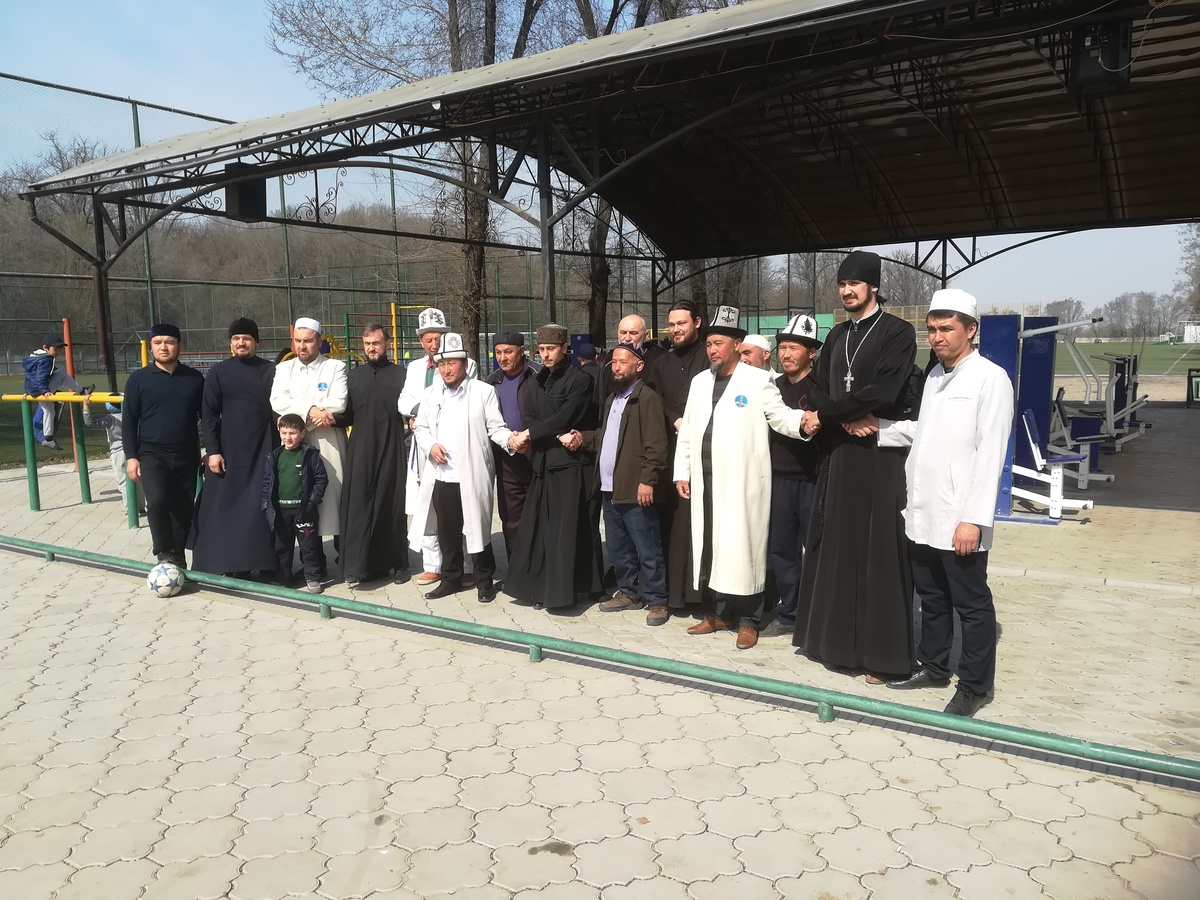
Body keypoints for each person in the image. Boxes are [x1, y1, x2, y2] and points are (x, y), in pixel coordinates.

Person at [862, 290, 1014, 717]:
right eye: (931, 329)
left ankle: (975, 686)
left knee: (971, 603)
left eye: (947, 328)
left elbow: (991, 454)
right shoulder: (934, 377)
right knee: (931, 595)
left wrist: (973, 520)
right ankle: (933, 666)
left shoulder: (990, 379)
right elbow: (923, 431)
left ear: (971, 329)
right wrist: (879, 428)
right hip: (925, 509)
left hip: (960, 518)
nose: (937, 337)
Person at [792, 250, 918, 682]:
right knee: (839, 546)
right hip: (842, 452)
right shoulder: (837, 335)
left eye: (854, 284)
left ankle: (881, 656)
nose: (847, 291)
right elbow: (817, 386)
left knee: (877, 551)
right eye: (842, 284)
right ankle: (831, 643)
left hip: (877, 457)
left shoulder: (898, 332)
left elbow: (885, 390)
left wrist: (833, 414)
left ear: (873, 287)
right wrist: (839, 418)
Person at [673, 306, 807, 650]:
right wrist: (682, 472)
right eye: (709, 344)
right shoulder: (700, 382)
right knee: (712, 548)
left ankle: (749, 620)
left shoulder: (758, 380)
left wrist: (804, 422)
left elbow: (779, 416)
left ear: (736, 344)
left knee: (743, 548)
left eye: (718, 343)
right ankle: (717, 613)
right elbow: (688, 430)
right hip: (705, 480)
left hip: (741, 481)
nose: (712, 350)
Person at [409, 333, 518, 603]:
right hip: (442, 475)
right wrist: (431, 446)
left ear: (465, 364)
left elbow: (495, 427)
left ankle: (484, 580)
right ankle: (451, 579)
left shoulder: (483, 392)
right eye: (441, 364)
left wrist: (511, 441)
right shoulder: (431, 394)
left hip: (472, 473)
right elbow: (421, 427)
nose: (446, 369)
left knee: (477, 528)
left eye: (452, 363)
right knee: (448, 530)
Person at [568, 343, 670, 626]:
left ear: (639, 366)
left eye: (623, 362)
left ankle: (657, 600)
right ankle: (628, 592)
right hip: (609, 487)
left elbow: (657, 446)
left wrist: (648, 480)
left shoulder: (647, 398)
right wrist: (584, 438)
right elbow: (607, 436)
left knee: (648, 547)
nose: (617, 367)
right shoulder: (613, 398)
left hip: (635, 487)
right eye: (614, 362)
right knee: (618, 547)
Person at [505, 323, 602, 609]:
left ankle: (569, 591)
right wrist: (553, 435)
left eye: (551, 349)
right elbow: (531, 416)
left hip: (571, 465)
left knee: (567, 531)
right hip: (544, 463)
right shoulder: (538, 381)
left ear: (564, 348)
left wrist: (534, 433)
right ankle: (540, 588)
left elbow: (567, 415)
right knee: (542, 530)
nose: (546, 355)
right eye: (542, 349)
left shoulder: (580, 380)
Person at [190, 318, 278, 577]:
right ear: (230, 343)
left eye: (247, 338)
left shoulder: (271, 370)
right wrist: (213, 451)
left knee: (261, 507)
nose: (242, 343)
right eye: (236, 338)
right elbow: (209, 415)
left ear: (256, 342)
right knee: (224, 507)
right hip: (229, 451)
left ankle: (265, 565)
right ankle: (228, 565)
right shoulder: (218, 372)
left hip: (264, 447)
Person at [397, 307, 479, 586]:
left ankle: (466, 564)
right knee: (427, 504)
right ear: (421, 341)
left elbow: (464, 399)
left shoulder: (467, 364)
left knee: (460, 505)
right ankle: (433, 564)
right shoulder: (415, 368)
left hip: (455, 446)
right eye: (428, 339)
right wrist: (419, 412)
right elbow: (404, 400)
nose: (434, 345)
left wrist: (424, 411)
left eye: (438, 338)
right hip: (425, 445)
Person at [270, 317, 348, 580]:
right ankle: (315, 563)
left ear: (319, 341)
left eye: (308, 341)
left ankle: (345, 557)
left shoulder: (335, 367)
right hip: (296, 444)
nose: (302, 346)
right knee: (302, 499)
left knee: (333, 499)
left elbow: (338, 402)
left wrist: (300, 415)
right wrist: (312, 410)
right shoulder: (284, 369)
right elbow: (278, 400)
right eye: (298, 341)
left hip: (328, 442)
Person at [760, 314, 823, 639]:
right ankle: (788, 613)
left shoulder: (821, 387)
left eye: (794, 348)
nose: (786, 354)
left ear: (811, 352)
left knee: (815, 548)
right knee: (783, 550)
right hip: (779, 479)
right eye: (782, 347)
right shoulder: (772, 387)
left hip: (812, 479)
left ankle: (816, 613)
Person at [645, 299, 709, 619]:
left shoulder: (709, 357)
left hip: (706, 451)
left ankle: (703, 595)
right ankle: (673, 594)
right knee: (672, 522)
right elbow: (654, 398)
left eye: (681, 323)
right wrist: (675, 418)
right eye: (671, 325)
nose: (675, 330)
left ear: (697, 322)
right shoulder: (662, 363)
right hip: (672, 450)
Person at [123, 323, 205, 568]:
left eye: (169, 342)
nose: (164, 347)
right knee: (158, 501)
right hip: (152, 453)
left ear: (179, 345)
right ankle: (163, 550)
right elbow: (129, 420)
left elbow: (207, 417)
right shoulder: (138, 380)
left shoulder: (194, 379)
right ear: (151, 347)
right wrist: (131, 456)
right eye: (158, 343)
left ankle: (177, 558)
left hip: (186, 453)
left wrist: (210, 449)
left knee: (183, 508)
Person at [336, 323, 411, 585]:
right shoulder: (354, 376)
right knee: (360, 504)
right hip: (361, 449)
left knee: (393, 504)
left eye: (376, 343)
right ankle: (363, 565)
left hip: (392, 446)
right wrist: (326, 416)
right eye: (367, 344)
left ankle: (399, 563)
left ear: (387, 343)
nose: (371, 348)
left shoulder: (401, 375)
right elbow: (347, 414)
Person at [262, 413, 328, 593]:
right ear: (279, 432)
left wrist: (312, 501)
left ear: (302, 433)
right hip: (280, 511)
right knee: (282, 547)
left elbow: (321, 479)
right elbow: (267, 483)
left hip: (304, 511)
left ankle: (312, 578)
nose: (288, 437)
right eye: (284, 433)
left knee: (309, 547)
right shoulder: (274, 456)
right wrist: (266, 505)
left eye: (292, 433)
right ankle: (283, 578)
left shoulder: (309, 454)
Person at [485, 331, 536, 556]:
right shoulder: (491, 382)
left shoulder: (537, 376)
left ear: (521, 351)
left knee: (539, 515)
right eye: (498, 352)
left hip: (535, 457)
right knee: (512, 518)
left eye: (508, 352)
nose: (502, 358)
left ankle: (540, 566)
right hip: (506, 461)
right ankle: (516, 565)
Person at [82, 394, 144, 510]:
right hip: (135, 451)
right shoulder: (133, 416)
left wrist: (86, 406)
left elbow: (90, 422)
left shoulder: (110, 419)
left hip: (118, 453)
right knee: (138, 479)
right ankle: (141, 507)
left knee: (123, 482)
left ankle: (130, 509)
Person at [23, 333, 81, 450]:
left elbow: (31, 376)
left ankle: (48, 439)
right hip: (40, 389)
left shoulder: (34, 358)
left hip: (32, 389)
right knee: (62, 375)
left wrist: (28, 391)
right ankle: (82, 390)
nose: (58, 352)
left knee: (49, 410)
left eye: (60, 349)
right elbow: (41, 377)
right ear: (45, 347)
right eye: (56, 349)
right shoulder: (46, 359)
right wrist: (45, 391)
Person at [597, 314, 665, 401]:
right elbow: (602, 397)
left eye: (633, 333)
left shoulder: (660, 359)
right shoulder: (608, 360)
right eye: (623, 333)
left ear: (645, 336)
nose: (627, 338)